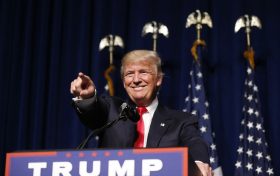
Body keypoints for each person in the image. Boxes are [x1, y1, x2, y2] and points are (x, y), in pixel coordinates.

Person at [70, 50, 212, 176]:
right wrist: (87, 97)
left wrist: (198, 164)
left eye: (143, 72)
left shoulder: (181, 121)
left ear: (158, 79)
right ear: (124, 82)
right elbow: (93, 111)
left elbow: (195, 144)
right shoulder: (111, 109)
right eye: (129, 74)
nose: (136, 80)